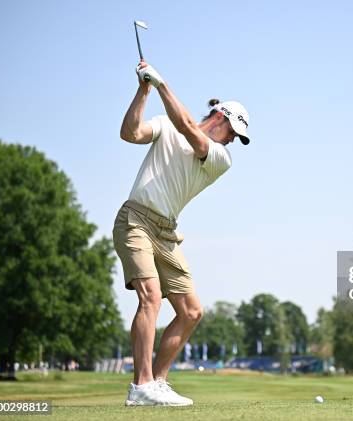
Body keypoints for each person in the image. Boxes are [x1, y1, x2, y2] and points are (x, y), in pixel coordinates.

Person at [113, 62, 251, 406]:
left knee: (191, 311)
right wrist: (144, 90)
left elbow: (188, 125)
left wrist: (161, 84)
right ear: (219, 116)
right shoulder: (165, 125)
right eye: (233, 130)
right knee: (151, 296)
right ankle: (141, 385)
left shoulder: (221, 157)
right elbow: (129, 133)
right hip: (136, 221)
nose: (233, 139)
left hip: (167, 233)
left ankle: (157, 382)